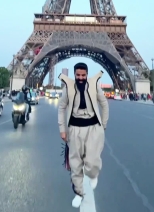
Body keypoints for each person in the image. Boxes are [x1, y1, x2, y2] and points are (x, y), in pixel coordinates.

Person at [58, 62, 109, 208]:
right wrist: (62, 129)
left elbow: (104, 104)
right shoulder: (68, 88)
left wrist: (103, 125)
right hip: (75, 128)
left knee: (93, 161)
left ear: (87, 74)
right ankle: (79, 193)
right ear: (74, 75)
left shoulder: (94, 86)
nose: (81, 78)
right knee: (75, 164)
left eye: (83, 75)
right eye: (78, 75)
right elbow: (61, 108)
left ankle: (93, 175)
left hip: (93, 127)